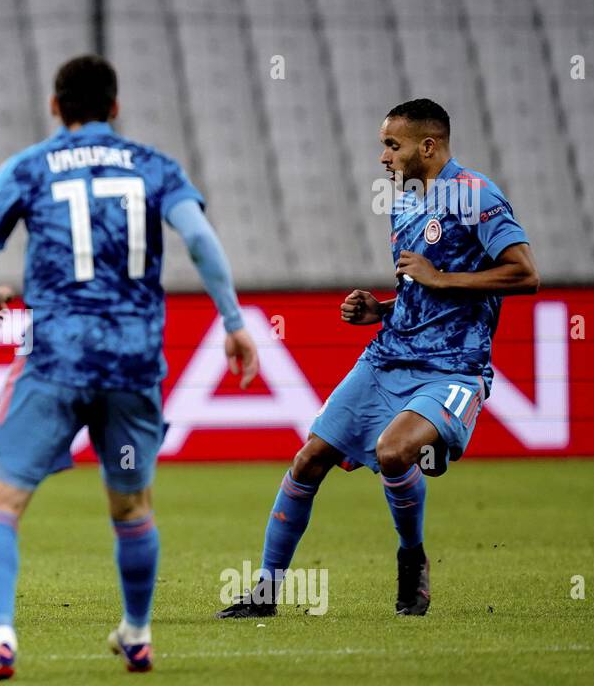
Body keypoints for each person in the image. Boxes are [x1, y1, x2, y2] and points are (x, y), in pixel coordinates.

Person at [0, 54, 259, 680]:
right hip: (133, 362)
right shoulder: (156, 167)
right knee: (131, 509)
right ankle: (139, 634)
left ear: (53, 106)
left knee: (0, 504)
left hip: (56, 359)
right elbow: (200, 241)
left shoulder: (29, 167)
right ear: (115, 107)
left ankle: (2, 639)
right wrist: (233, 323)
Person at [217, 99, 539, 620]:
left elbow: (525, 274)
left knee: (393, 452)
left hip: (453, 368)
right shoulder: (404, 203)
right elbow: (419, 290)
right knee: (308, 459)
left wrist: (442, 278)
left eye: (393, 145)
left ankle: (412, 559)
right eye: (382, 146)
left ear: (428, 146)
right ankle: (265, 592)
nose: (383, 158)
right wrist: (382, 309)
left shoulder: (476, 195)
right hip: (389, 355)